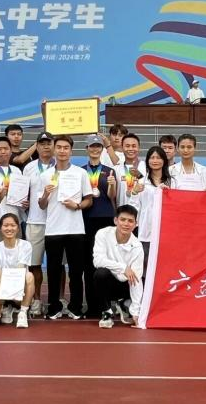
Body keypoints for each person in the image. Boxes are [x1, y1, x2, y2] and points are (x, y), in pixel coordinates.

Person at [39, 134, 93, 319]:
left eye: (66, 148)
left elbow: (88, 199)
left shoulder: (80, 173)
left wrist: (76, 206)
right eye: (59, 147)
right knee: (53, 271)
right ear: (54, 149)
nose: (62, 151)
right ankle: (53, 307)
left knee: (76, 271)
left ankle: (75, 307)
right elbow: (41, 205)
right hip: (53, 229)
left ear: (71, 151)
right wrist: (45, 194)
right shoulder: (45, 175)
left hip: (75, 229)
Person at [81, 134, 117, 318]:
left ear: (102, 149)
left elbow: (112, 196)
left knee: (106, 263)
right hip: (86, 219)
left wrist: (111, 185)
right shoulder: (80, 171)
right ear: (87, 149)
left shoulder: (110, 171)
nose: (95, 149)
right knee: (89, 264)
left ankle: (106, 305)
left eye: (98, 146)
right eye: (92, 146)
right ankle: (91, 306)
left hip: (106, 220)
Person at [93, 205, 144, 328]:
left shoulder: (137, 246)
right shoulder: (103, 234)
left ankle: (125, 303)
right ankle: (107, 312)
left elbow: (136, 280)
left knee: (141, 280)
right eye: (123, 219)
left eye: (130, 221)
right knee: (100, 274)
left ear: (136, 224)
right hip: (109, 282)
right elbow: (98, 261)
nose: (126, 224)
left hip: (125, 286)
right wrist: (123, 268)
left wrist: (136, 312)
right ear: (116, 220)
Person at [24, 132, 55, 317]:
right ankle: (36, 300)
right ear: (36, 146)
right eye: (42, 143)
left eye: (48, 143)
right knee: (34, 264)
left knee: (57, 265)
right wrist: (23, 201)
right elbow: (23, 192)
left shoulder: (61, 167)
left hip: (57, 222)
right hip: (35, 221)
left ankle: (59, 300)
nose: (45, 146)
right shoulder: (28, 167)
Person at [0, 213, 34, 328]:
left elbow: (20, 271)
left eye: (13, 225)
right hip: (4, 290)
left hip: (19, 290)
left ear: (18, 228)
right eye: (6, 225)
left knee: (29, 276)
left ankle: (23, 311)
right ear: (0, 228)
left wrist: (16, 294)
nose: (9, 228)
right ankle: (6, 307)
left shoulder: (26, 245)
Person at [138, 146, 171, 272]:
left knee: (164, 268)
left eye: (158, 157)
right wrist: (134, 193)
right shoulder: (141, 182)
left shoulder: (172, 182)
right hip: (146, 231)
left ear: (164, 161)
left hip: (166, 232)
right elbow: (135, 206)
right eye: (152, 158)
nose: (155, 160)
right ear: (147, 161)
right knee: (145, 269)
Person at [0, 136, 27, 236]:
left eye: (6, 149)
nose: (3, 152)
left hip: (15, 220)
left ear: (11, 151)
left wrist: (25, 204)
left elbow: (21, 194)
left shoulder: (17, 171)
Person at [116, 132, 146, 208]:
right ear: (122, 148)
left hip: (141, 212)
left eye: (134, 146)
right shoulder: (116, 169)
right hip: (122, 212)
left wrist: (139, 176)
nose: (130, 149)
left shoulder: (146, 167)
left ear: (139, 148)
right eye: (127, 146)